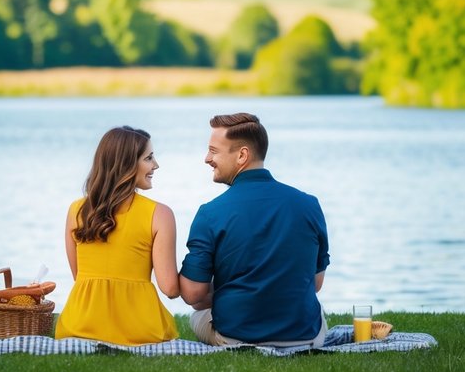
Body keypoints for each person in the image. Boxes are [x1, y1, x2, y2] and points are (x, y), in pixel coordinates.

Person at [178, 113, 329, 348]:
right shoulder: (309, 204)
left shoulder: (210, 213)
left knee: (197, 316)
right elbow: (316, 282)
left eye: (213, 151)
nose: (207, 159)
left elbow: (192, 293)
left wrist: (234, 286)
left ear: (242, 155)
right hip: (305, 336)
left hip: (236, 336)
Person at [55, 126, 181, 345]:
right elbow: (169, 289)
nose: (156, 165)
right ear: (127, 164)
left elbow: (79, 276)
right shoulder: (160, 214)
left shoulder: (76, 210)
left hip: (79, 325)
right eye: (149, 158)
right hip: (140, 330)